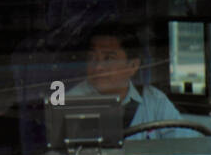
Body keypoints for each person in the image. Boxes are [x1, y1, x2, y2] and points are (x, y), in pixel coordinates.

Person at [67, 23, 195, 139]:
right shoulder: (72, 102)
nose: (98, 66)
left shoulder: (155, 102)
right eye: (92, 57)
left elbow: (184, 144)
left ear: (133, 65)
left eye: (108, 58)